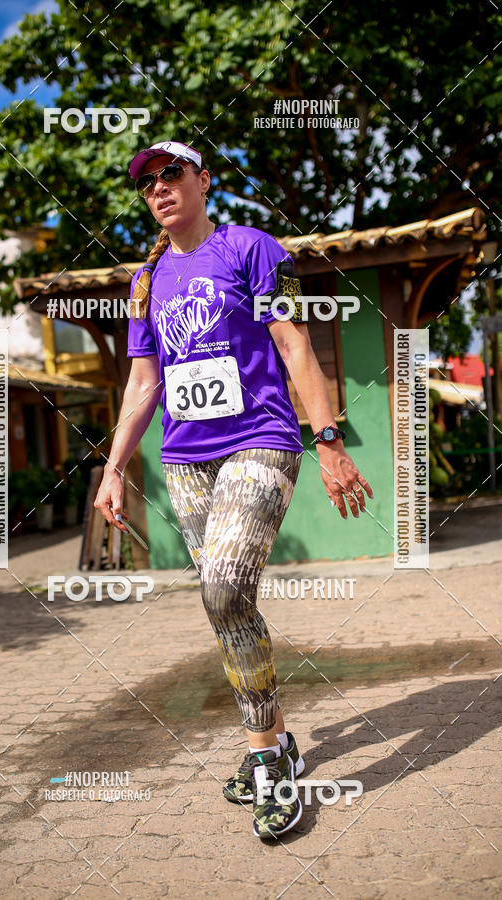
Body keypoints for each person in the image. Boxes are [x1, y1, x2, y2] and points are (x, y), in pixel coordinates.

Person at [94, 140, 373, 839]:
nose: (159, 187)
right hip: (185, 459)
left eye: (172, 173)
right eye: (147, 182)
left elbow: (294, 344)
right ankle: (274, 741)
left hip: (262, 440)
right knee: (228, 606)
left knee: (221, 589)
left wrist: (328, 439)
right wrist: (113, 468)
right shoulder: (145, 282)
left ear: (204, 181)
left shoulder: (253, 249)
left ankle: (269, 764)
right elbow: (143, 382)